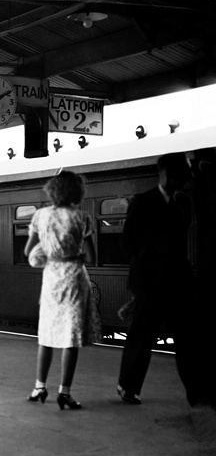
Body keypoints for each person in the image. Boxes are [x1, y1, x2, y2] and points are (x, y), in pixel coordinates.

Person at [117, 153, 200, 406]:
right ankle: (128, 387)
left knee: (188, 339)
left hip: (178, 281)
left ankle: (197, 394)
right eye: (185, 170)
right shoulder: (142, 202)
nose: (189, 175)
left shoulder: (183, 203)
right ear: (166, 172)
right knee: (142, 337)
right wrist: (141, 283)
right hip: (149, 283)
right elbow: (129, 242)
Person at [24, 171, 100, 410]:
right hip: (74, 279)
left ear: (53, 190)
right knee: (71, 337)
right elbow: (91, 258)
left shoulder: (40, 215)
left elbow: (28, 250)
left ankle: (39, 387)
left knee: (46, 335)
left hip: (51, 279)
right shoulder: (82, 218)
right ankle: (64, 392)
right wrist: (72, 254)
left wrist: (51, 253)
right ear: (77, 192)